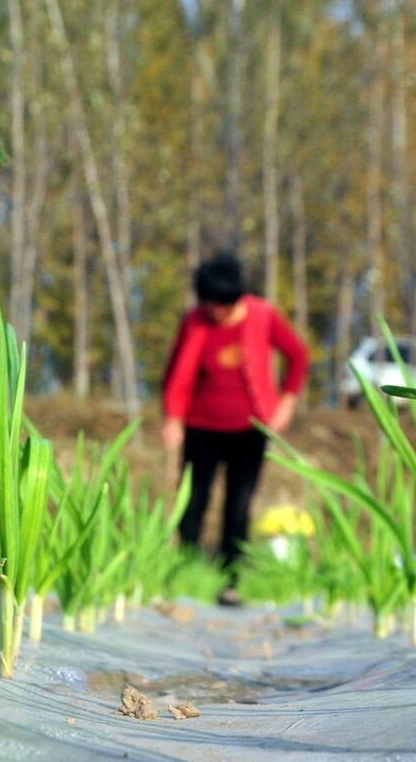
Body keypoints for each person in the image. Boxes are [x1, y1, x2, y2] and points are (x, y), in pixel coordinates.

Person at [161, 252, 309, 606]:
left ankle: (231, 581)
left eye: (225, 306)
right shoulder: (194, 322)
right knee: (193, 501)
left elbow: (298, 355)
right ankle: (187, 573)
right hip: (201, 428)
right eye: (212, 305)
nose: (219, 313)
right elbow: (176, 373)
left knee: (239, 505)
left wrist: (286, 403)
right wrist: (172, 418)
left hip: (251, 428)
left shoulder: (262, 315)